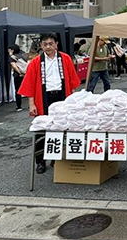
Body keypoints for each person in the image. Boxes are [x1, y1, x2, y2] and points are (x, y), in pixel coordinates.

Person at [18, 33, 80, 174]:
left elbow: (72, 81)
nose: (48, 47)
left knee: (63, 128)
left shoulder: (65, 59)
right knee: (42, 131)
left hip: (62, 96)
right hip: (43, 98)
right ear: (40, 45)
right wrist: (32, 104)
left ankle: (57, 159)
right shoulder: (35, 62)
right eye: (45, 44)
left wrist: (74, 100)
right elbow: (30, 85)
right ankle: (40, 161)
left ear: (56, 44)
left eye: (51, 43)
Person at [8, 44, 27, 112]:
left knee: (18, 90)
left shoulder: (12, 57)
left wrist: (19, 73)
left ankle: (19, 106)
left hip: (18, 75)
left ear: (12, 50)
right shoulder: (23, 55)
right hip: (26, 74)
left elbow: (14, 66)